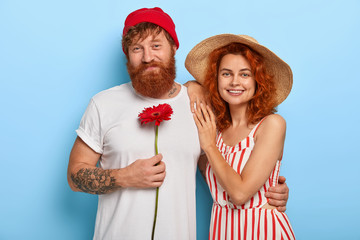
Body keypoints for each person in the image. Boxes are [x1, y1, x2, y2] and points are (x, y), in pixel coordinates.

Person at [67, 7, 289, 240]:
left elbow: (223, 171)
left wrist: (268, 189)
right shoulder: (104, 104)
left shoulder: (200, 107)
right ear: (127, 55)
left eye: (156, 45)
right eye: (136, 48)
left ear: (173, 47)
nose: (147, 57)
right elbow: (74, 176)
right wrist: (124, 177)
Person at [185, 34, 296, 239]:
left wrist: (209, 146)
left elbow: (240, 194)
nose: (235, 82)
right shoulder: (214, 128)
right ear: (216, 79)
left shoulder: (271, 125)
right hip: (221, 229)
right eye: (226, 74)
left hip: (262, 231)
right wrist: (192, 85)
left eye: (245, 74)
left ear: (257, 80)